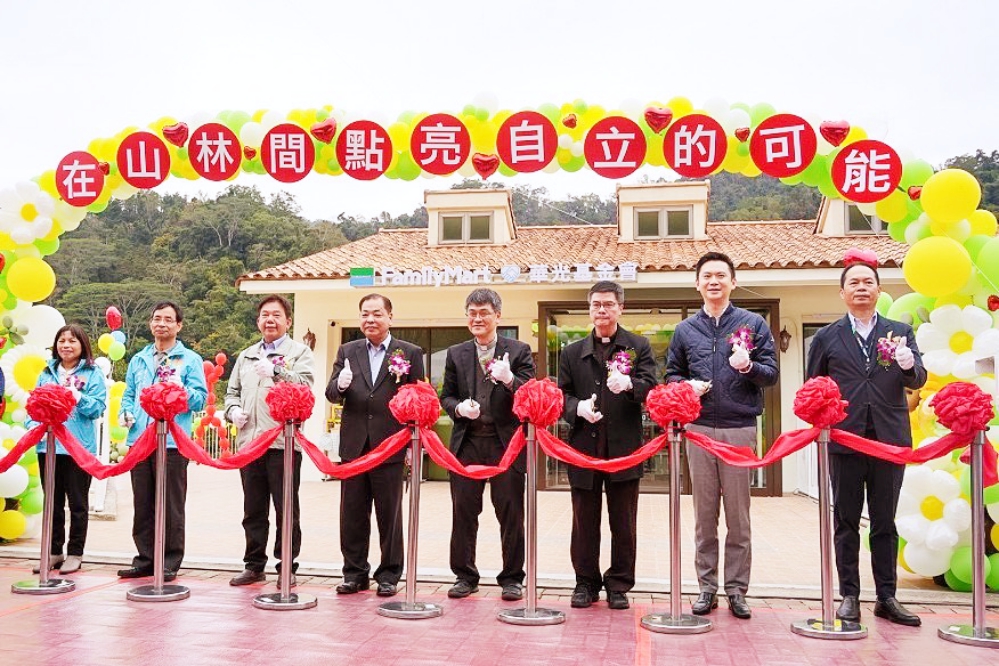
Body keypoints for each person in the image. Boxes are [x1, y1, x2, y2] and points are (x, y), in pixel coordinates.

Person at [806, 256, 926, 627]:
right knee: (845, 520)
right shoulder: (827, 337)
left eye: (868, 282)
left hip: (889, 439)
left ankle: (887, 596)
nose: (861, 288)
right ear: (842, 293)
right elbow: (814, 388)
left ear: (878, 289)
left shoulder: (899, 332)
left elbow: (919, 379)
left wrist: (907, 364)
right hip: (845, 439)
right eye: (854, 283)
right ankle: (849, 596)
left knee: (884, 522)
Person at [665, 251, 779, 620]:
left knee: (738, 516)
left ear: (733, 281)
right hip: (698, 429)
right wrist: (686, 385)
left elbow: (771, 374)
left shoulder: (753, 324)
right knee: (704, 515)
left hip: (739, 428)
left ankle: (737, 590)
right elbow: (671, 373)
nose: (714, 281)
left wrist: (748, 367)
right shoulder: (685, 330)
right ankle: (706, 587)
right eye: (707, 276)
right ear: (697, 284)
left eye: (720, 275)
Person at [558, 281, 657, 610]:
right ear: (589, 309)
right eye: (596, 304)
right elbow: (562, 395)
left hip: (624, 447)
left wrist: (631, 385)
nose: (602, 310)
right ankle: (585, 582)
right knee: (583, 521)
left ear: (620, 308)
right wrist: (577, 409)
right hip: (583, 448)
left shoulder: (638, 346)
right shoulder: (572, 352)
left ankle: (619, 584)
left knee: (623, 522)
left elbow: (651, 388)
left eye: (609, 304)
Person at [326, 293, 424, 597]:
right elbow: (331, 393)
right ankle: (354, 573)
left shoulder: (409, 353)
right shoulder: (348, 350)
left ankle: (389, 575)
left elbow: (419, 399)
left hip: (391, 445)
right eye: (365, 314)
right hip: (354, 446)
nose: (370, 319)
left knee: (389, 515)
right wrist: (340, 384)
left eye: (377, 314)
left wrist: (412, 444)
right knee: (352, 515)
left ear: (390, 317)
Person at [440, 288, 534, 601]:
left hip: (505, 443)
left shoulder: (518, 351)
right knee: (464, 512)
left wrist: (509, 379)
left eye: (484, 313)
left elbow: (529, 393)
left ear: (498, 316)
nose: (477, 318)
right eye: (472, 313)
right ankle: (465, 576)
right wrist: (458, 409)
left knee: (510, 512)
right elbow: (446, 396)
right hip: (467, 443)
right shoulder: (456, 353)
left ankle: (512, 578)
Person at [225, 295, 314, 587]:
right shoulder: (246, 356)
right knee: (253, 510)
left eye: (276, 315)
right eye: (265, 315)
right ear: (258, 321)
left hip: (282, 444)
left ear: (288, 321)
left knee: (286, 509)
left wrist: (277, 371)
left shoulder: (299, 352)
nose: (270, 320)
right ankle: (254, 566)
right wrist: (232, 411)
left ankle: (286, 566)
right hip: (250, 444)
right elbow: (232, 393)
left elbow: (305, 387)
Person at [117, 302, 207, 581]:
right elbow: (129, 394)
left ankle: (169, 561)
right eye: (157, 319)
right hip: (140, 440)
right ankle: (145, 559)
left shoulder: (190, 359)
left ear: (179, 325)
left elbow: (200, 400)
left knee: (171, 505)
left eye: (168, 319)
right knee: (142, 503)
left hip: (172, 442)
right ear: (150, 323)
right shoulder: (139, 359)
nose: (162, 324)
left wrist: (182, 389)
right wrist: (126, 412)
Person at [29, 325, 107, 575]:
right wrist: (33, 427)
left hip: (78, 449)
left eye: (72, 341)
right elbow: (33, 405)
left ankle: (75, 553)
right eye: (61, 340)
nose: (66, 345)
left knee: (78, 504)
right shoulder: (46, 372)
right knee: (52, 503)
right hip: (48, 448)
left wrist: (78, 398)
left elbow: (98, 408)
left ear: (82, 345)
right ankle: (53, 552)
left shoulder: (92, 374)